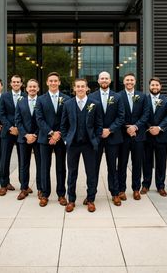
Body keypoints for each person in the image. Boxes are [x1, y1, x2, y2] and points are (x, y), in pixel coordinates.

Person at [60, 78, 103, 213]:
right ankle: (71, 200)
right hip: (73, 144)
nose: (80, 89)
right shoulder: (67, 104)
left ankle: (90, 199)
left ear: (87, 88)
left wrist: (95, 140)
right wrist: (66, 139)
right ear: (74, 89)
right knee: (72, 173)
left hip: (89, 144)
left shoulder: (95, 104)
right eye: (77, 86)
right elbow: (63, 125)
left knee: (91, 173)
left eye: (82, 86)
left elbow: (99, 125)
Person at [90, 71, 124, 206]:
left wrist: (109, 130)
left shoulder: (117, 97)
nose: (104, 80)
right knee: (93, 167)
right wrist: (100, 131)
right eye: (102, 78)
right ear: (98, 81)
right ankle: (91, 194)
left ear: (110, 81)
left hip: (113, 137)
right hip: (97, 138)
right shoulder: (91, 96)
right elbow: (89, 118)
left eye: (106, 78)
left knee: (112, 167)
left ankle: (115, 193)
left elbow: (121, 116)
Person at [35, 72, 70, 207]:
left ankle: (61, 194)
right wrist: (51, 133)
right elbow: (39, 119)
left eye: (56, 81)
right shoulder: (41, 99)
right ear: (47, 83)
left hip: (60, 139)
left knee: (61, 167)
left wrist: (58, 134)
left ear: (59, 82)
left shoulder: (66, 99)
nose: (53, 83)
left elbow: (67, 119)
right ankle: (44, 194)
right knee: (44, 167)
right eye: (51, 81)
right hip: (45, 138)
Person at [118, 72, 149, 200]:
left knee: (137, 163)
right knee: (122, 164)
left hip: (138, 135)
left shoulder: (142, 96)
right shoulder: (118, 96)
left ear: (135, 82)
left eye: (131, 80)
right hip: (123, 136)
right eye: (127, 80)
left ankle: (136, 189)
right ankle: (121, 190)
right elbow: (118, 115)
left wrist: (135, 127)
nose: (129, 82)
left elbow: (146, 114)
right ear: (124, 82)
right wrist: (127, 127)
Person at [141, 77, 167, 196]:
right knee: (146, 161)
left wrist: (159, 128)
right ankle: (145, 185)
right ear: (149, 86)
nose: (155, 87)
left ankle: (160, 186)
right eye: (153, 85)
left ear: (160, 87)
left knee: (161, 162)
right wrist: (150, 128)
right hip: (147, 136)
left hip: (162, 136)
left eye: (157, 85)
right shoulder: (144, 99)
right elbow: (142, 115)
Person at [0, 75, 27, 196]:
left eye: (18, 82)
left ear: (21, 84)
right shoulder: (4, 96)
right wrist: (11, 127)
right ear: (10, 84)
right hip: (8, 132)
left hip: (21, 132)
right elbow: (1, 114)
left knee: (23, 160)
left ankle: (23, 185)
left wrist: (19, 129)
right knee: (5, 159)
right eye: (14, 82)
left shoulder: (25, 96)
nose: (16, 84)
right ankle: (4, 184)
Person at [15, 79, 42, 200]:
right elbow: (18, 121)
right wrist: (26, 135)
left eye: (34, 87)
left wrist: (35, 135)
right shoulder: (20, 103)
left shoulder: (42, 101)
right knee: (23, 164)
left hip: (38, 138)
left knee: (40, 165)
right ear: (26, 89)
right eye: (30, 87)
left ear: (38, 88)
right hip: (23, 139)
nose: (32, 88)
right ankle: (24, 188)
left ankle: (41, 189)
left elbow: (43, 121)